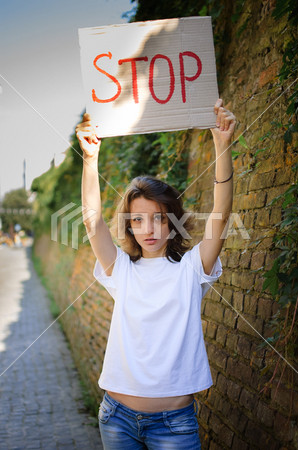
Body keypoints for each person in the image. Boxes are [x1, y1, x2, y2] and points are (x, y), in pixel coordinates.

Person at [76, 99, 236, 449]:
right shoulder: (120, 269)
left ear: (173, 222)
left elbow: (221, 214)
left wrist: (222, 146)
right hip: (117, 419)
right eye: (137, 219)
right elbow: (91, 221)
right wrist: (90, 160)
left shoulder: (193, 269)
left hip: (174, 425)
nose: (148, 228)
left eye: (159, 217)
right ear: (129, 226)